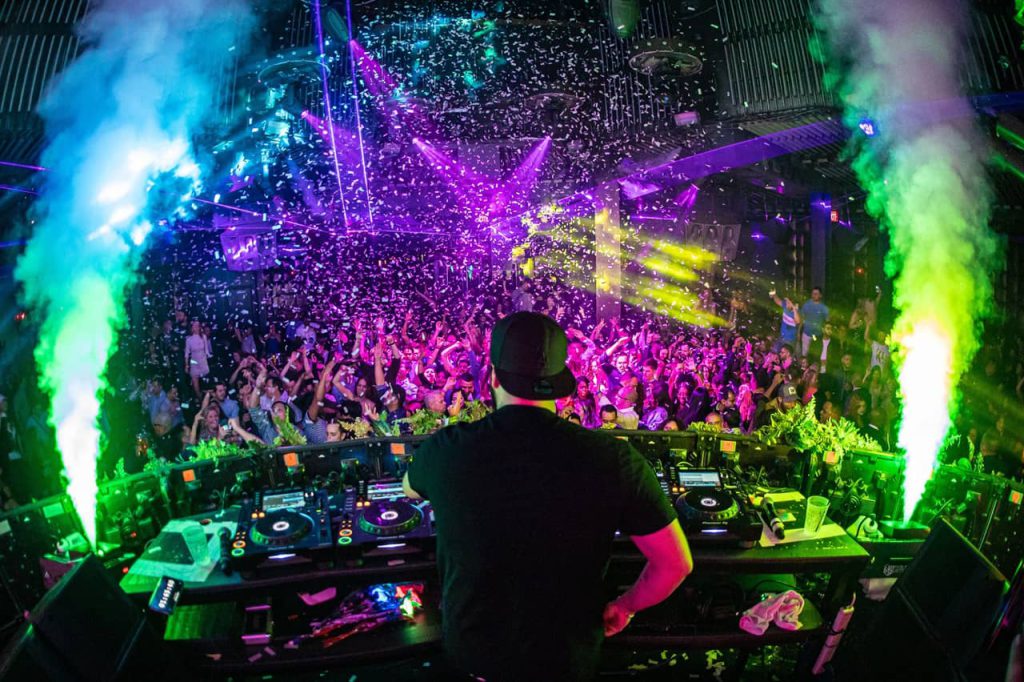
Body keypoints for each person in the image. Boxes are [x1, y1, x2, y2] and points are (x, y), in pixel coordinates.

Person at [403, 312, 691, 681]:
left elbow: (408, 487)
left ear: (493, 377)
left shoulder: (446, 449)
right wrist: (625, 606)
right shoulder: (614, 458)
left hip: (477, 654)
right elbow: (675, 563)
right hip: (566, 658)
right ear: (560, 386)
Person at [799, 287, 829, 357]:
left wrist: (825, 334)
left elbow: (827, 321)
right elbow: (802, 319)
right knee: (804, 354)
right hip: (806, 334)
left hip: (817, 335)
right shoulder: (806, 305)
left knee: (815, 354)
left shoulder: (824, 308)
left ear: (820, 295)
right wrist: (799, 332)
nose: (814, 295)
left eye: (816, 293)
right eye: (813, 293)